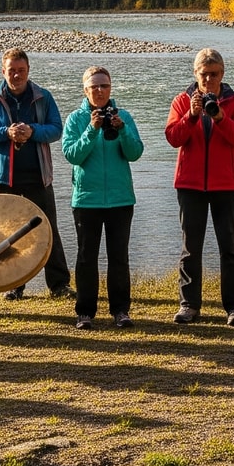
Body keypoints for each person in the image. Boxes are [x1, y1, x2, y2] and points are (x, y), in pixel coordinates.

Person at [0, 47, 70, 300]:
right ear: (3, 71)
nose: (17, 75)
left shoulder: (43, 97)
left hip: (39, 176)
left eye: (21, 70)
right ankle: (15, 286)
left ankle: (58, 285)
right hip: (5, 178)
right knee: (8, 232)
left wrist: (32, 131)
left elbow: (56, 130)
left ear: (28, 70)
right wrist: (6, 133)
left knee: (49, 231)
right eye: (12, 71)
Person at [165, 48, 234, 326]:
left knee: (229, 247)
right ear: (196, 74)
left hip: (226, 185)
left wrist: (220, 118)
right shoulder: (181, 101)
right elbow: (173, 138)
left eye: (214, 74)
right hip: (190, 185)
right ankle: (189, 305)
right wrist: (191, 116)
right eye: (204, 74)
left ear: (222, 74)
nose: (209, 79)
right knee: (191, 248)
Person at [63, 65, 144, 329]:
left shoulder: (124, 116)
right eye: (94, 86)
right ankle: (85, 312)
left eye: (104, 86)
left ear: (111, 88)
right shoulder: (76, 119)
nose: (100, 91)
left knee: (118, 257)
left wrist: (122, 130)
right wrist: (91, 129)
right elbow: (72, 155)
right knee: (87, 257)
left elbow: (134, 153)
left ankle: (121, 310)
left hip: (120, 199)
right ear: (85, 90)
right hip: (87, 199)